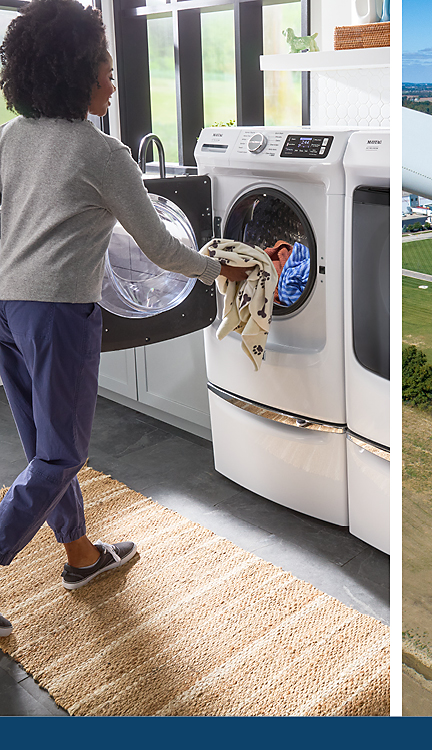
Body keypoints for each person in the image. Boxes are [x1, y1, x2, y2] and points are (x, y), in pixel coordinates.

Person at [0, 0, 246, 638]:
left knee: (40, 445)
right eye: (104, 62)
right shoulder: (101, 152)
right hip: (56, 313)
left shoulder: (14, 136)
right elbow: (160, 248)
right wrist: (224, 270)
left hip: (5, 306)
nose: (112, 74)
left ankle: (80, 556)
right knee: (59, 456)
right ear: (74, 70)